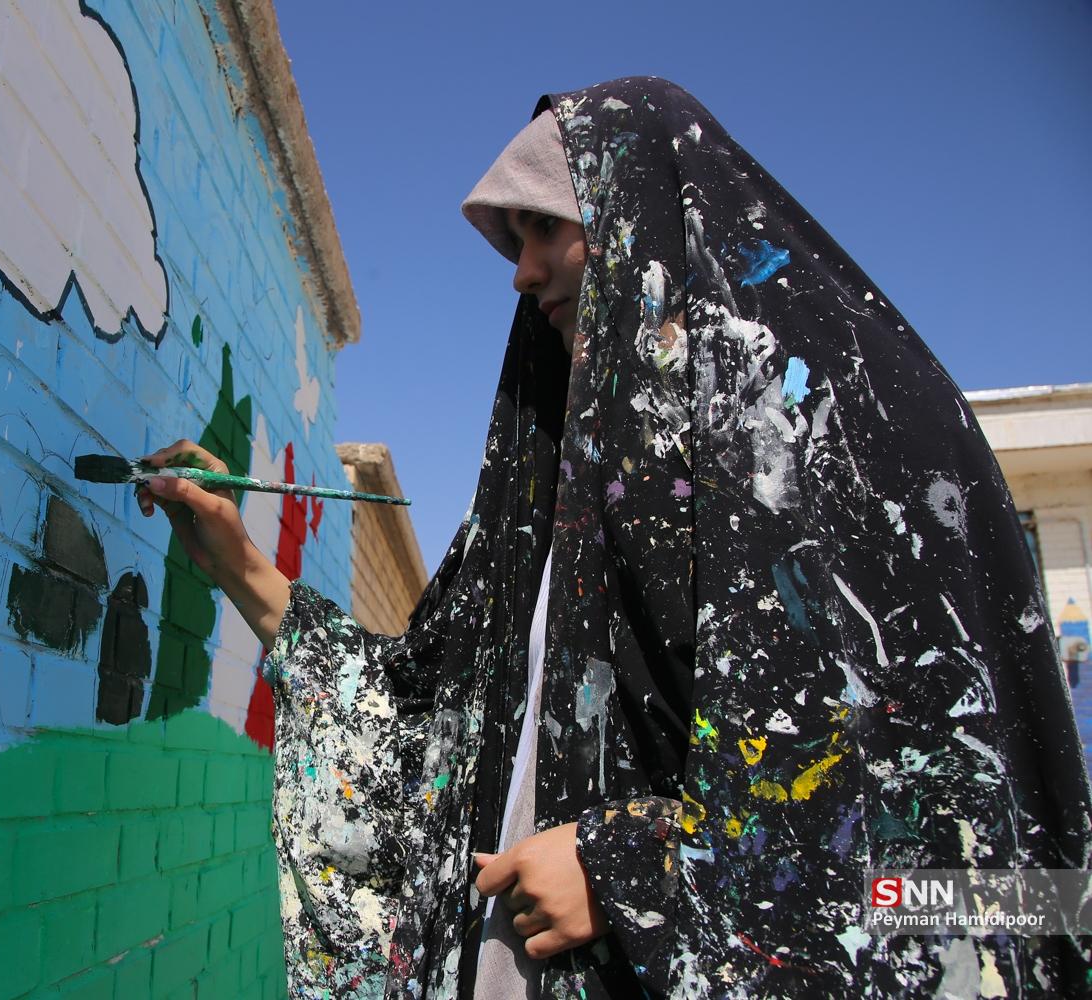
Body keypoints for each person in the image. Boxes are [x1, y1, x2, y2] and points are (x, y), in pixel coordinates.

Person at [137, 77, 1092, 999]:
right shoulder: (549, 506)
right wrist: (236, 560)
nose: (522, 272)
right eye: (515, 240)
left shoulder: (859, 444)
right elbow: (421, 726)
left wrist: (638, 867)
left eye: (546, 226)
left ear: (646, 214)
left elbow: (991, 874)